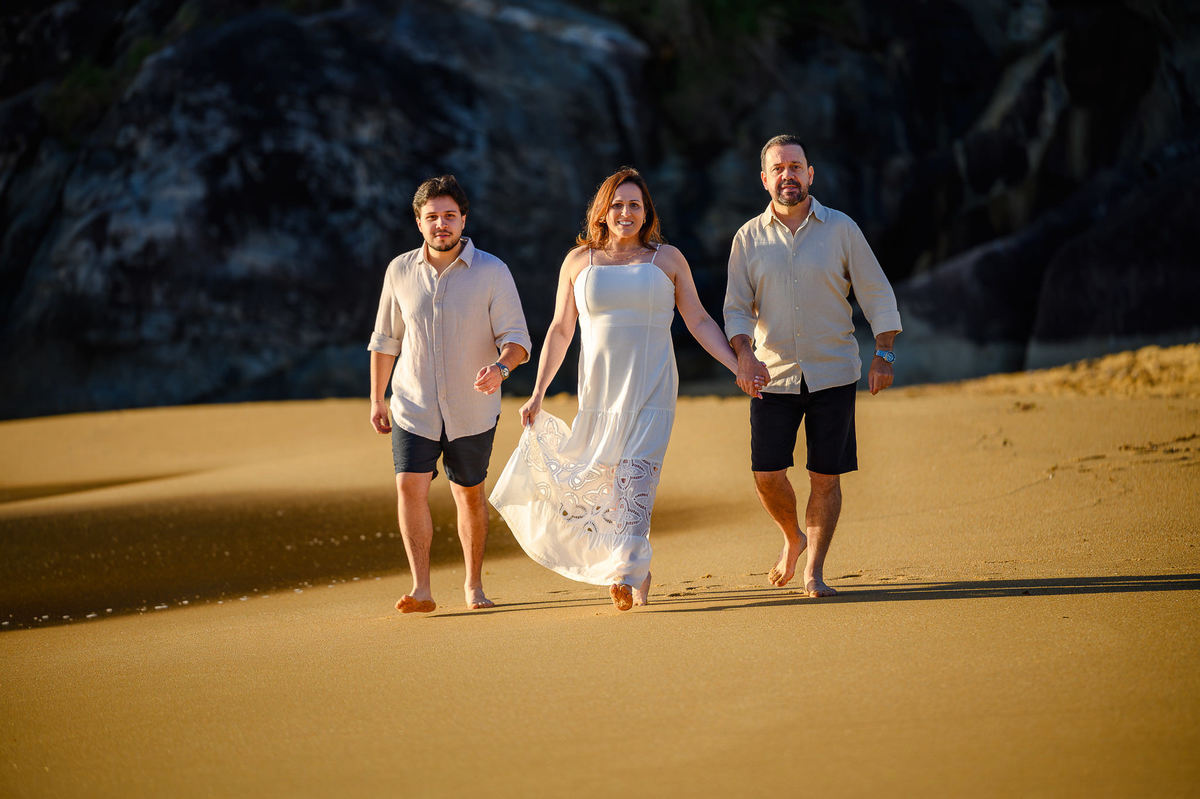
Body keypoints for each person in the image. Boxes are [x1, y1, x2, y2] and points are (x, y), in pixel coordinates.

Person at [489, 167, 755, 611]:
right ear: (603, 211)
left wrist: (736, 367)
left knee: (636, 478)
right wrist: (537, 394)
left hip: (652, 389)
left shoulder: (666, 259)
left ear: (646, 210)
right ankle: (639, 568)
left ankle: (625, 573)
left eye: (634, 205)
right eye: (617, 205)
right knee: (612, 488)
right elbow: (560, 329)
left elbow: (699, 320)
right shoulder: (579, 262)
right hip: (599, 394)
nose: (626, 213)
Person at [724, 134, 902, 598]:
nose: (788, 175)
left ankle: (814, 572)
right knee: (767, 474)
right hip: (772, 375)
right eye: (778, 168)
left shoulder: (842, 229)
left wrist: (883, 353)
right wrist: (744, 354)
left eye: (796, 166)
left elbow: (876, 292)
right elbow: (737, 309)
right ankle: (792, 537)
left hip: (834, 372)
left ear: (810, 174)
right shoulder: (747, 238)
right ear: (765, 179)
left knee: (825, 476)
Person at [368, 175, 531, 613]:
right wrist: (377, 398)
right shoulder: (399, 270)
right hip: (412, 404)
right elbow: (385, 340)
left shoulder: (493, 271)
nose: (441, 224)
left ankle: (473, 585)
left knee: (469, 494)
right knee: (408, 487)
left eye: (449, 216)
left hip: (472, 409)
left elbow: (517, 338)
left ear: (464, 220)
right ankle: (421, 588)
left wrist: (500, 368)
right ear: (418, 222)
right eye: (432, 217)